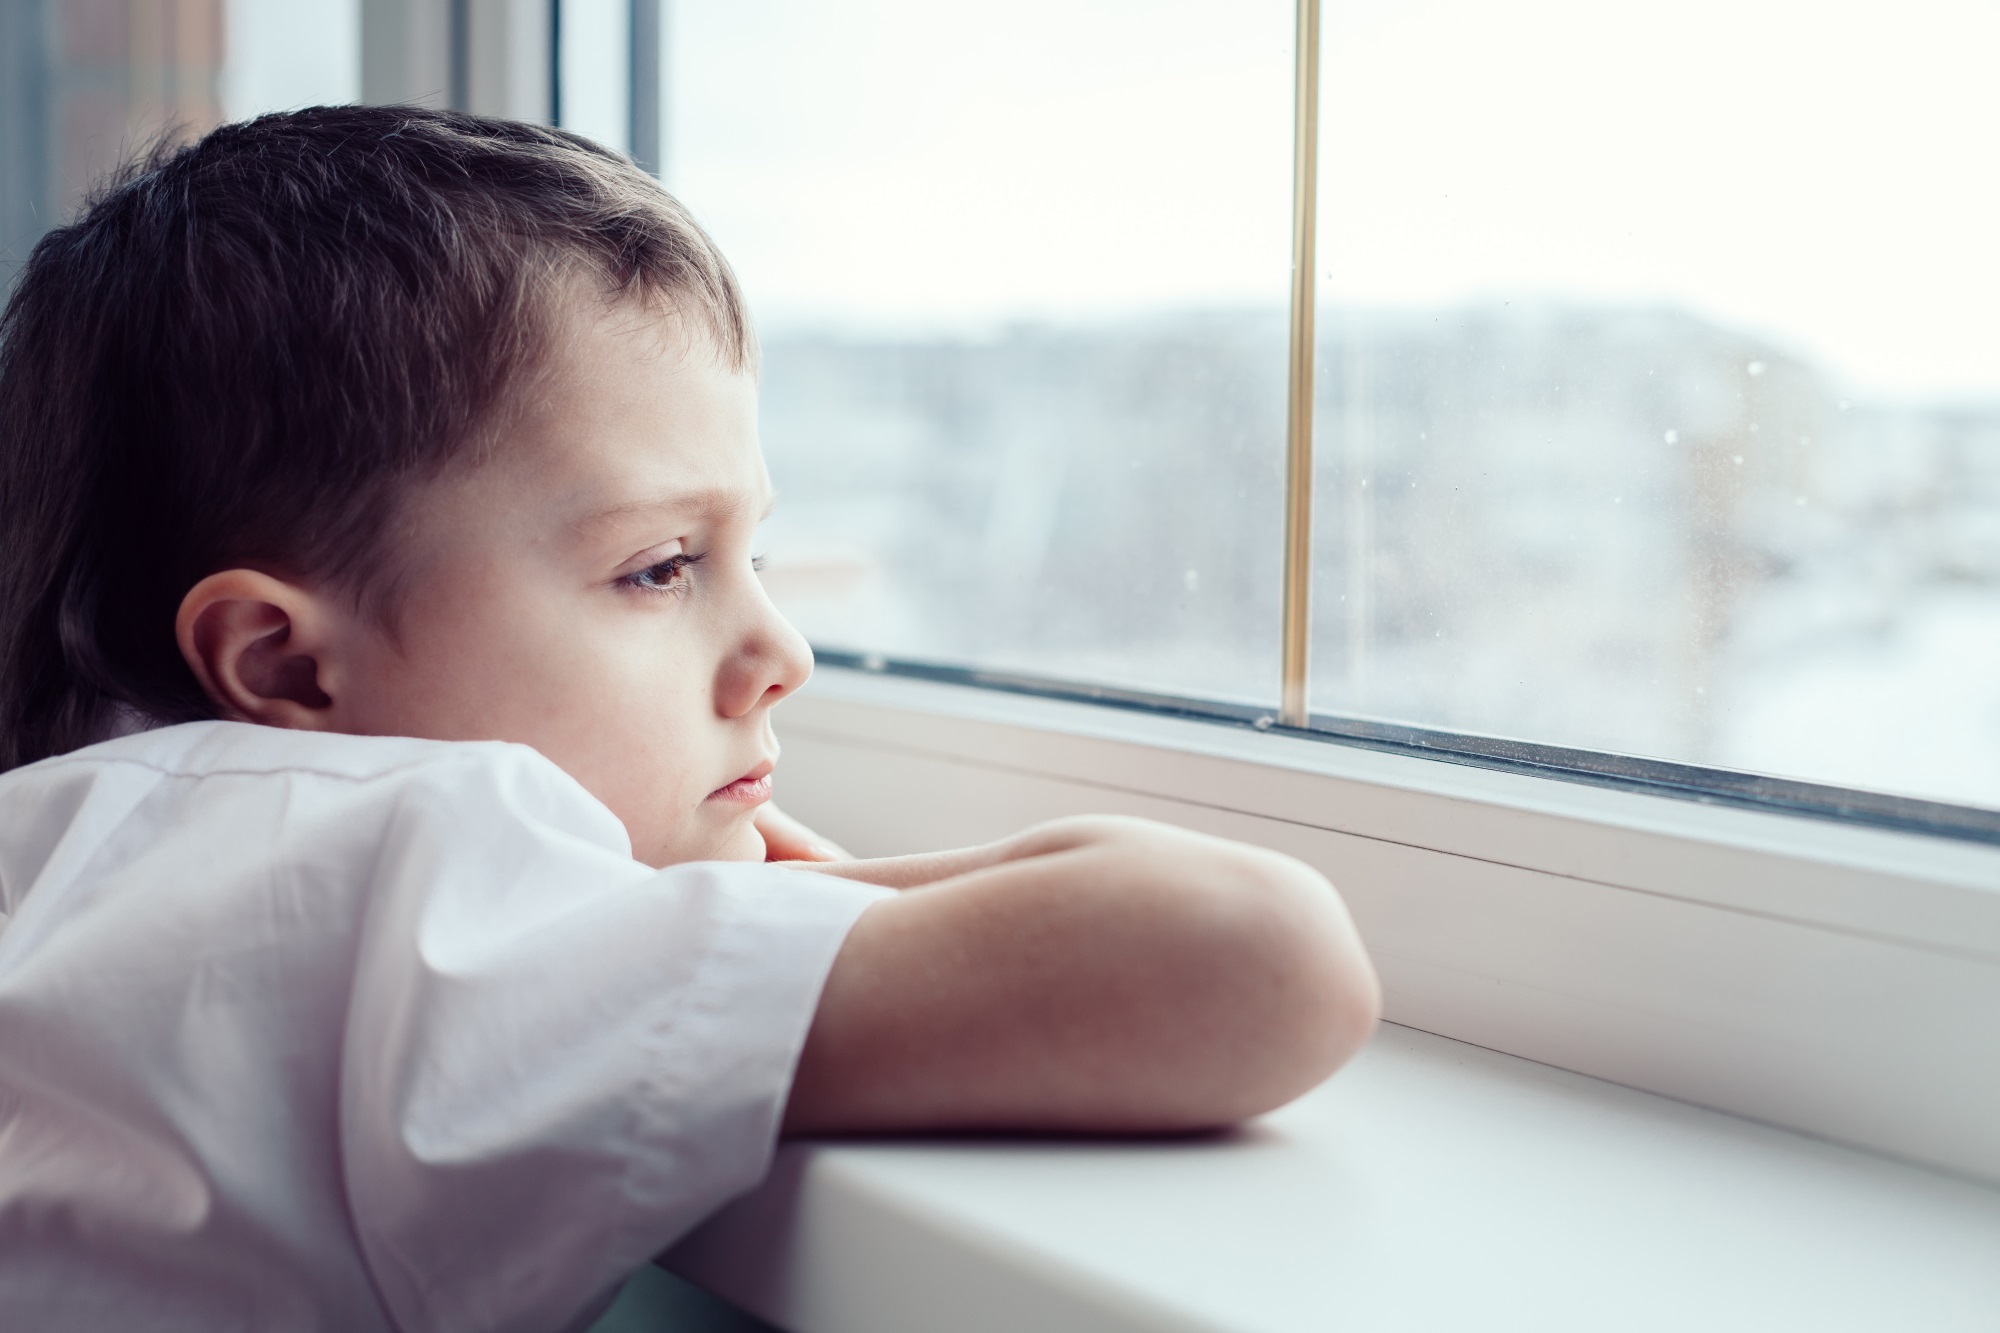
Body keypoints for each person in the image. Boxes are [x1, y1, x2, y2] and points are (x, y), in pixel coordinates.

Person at [0, 106, 1380, 1331]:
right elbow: (1260, 959)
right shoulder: (394, 880)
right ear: (286, 669)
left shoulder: (78, 845)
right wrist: (823, 897)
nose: (780, 652)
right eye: (661, 566)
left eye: (753, 557)